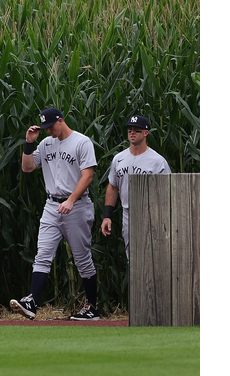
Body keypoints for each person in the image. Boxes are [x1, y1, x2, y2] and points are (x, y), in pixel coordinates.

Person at [10, 107, 100, 321]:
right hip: (52, 205)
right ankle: (32, 301)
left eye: (50, 126)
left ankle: (92, 307)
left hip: (76, 205)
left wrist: (71, 200)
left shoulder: (81, 142)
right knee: (42, 254)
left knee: (82, 258)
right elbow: (28, 167)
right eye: (45, 127)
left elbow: (87, 176)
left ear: (61, 120)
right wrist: (29, 143)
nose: (48, 130)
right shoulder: (46, 143)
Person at [101, 115, 171, 260]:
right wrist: (107, 216)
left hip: (152, 214)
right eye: (130, 130)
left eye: (137, 130)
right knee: (132, 258)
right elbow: (113, 187)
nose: (132, 133)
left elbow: (168, 190)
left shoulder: (157, 161)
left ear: (146, 133)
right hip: (128, 214)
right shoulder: (119, 158)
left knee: (154, 257)